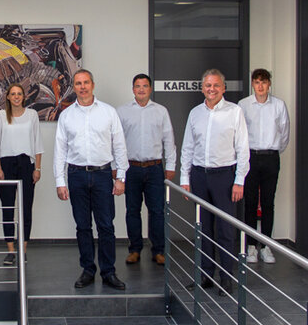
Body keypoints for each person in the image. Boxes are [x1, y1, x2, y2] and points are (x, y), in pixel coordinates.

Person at [53, 69, 128, 290]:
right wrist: (60, 181)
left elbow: (120, 146)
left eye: (86, 82)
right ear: (74, 87)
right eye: (78, 83)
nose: (83, 87)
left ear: (93, 85)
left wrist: (121, 177)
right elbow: (60, 150)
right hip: (76, 175)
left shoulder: (108, 112)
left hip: (103, 175)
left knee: (106, 226)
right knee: (83, 226)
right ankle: (87, 270)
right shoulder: (66, 115)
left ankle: (108, 272)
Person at [181, 68, 249, 296]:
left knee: (225, 230)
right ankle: (206, 275)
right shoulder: (195, 113)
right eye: (208, 85)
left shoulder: (235, 112)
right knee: (203, 228)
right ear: (203, 88)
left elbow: (243, 149)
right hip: (199, 176)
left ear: (223, 88)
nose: (212, 89)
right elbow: (188, 147)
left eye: (216, 85)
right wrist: (185, 178)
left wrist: (239, 181)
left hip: (224, 178)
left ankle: (226, 278)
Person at [116, 74, 176, 266]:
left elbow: (169, 140)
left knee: (157, 211)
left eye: (144, 86)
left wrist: (171, 166)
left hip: (154, 168)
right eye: (137, 86)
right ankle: (134, 250)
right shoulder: (122, 112)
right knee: (132, 210)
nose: (141, 89)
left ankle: (158, 251)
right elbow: (115, 142)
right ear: (133, 89)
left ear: (150, 89)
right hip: (131, 168)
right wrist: (116, 168)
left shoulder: (161, 111)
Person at [238, 68, 289, 264]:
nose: (260, 86)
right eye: (257, 82)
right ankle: (251, 246)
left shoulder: (278, 105)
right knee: (250, 202)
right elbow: (239, 133)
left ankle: (266, 246)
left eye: (264, 82)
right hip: (250, 157)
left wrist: (273, 151)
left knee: (268, 202)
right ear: (253, 84)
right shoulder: (243, 105)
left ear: (269, 84)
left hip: (270, 157)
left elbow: (284, 134)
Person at [0, 83, 43, 266]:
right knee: (7, 208)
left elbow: (37, 142)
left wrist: (37, 168)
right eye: (13, 94)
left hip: (26, 164)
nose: (16, 97)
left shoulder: (32, 115)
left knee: (26, 209)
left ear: (23, 96)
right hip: (6, 165)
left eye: (19, 94)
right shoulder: (1, 116)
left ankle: (23, 250)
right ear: (7, 97)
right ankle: (11, 251)